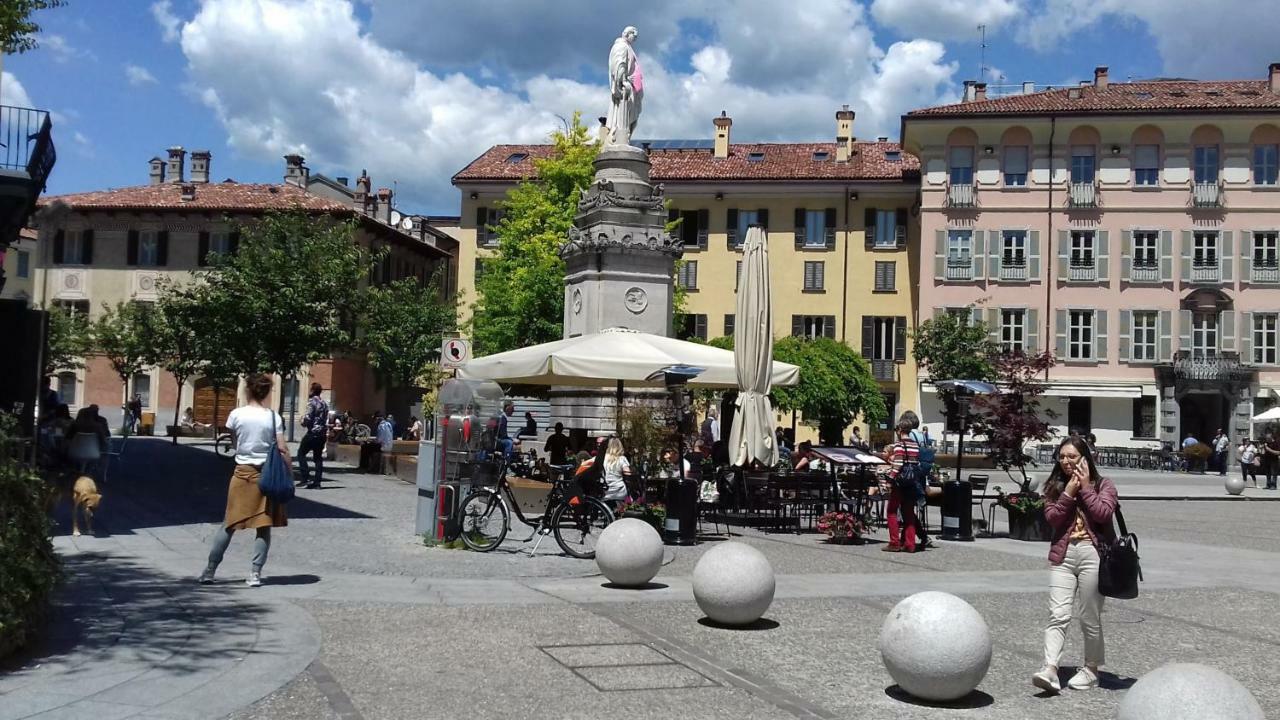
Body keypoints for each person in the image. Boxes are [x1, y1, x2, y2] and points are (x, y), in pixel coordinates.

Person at [1032, 435, 1118, 694]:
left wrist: (1085, 488)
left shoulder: (1104, 485)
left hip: (1093, 554)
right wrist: (1068, 492)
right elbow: (1053, 519)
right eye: (1062, 457)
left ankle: (1091, 669)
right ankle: (1050, 669)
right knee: (1058, 614)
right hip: (1063, 555)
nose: (1067, 462)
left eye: (1073, 456)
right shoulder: (1055, 485)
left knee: (1089, 616)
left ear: (1085, 458)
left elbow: (1103, 513)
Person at [198, 373, 289, 588]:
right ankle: (255, 574)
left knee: (228, 523)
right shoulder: (273, 417)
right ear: (267, 392)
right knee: (263, 526)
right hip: (265, 474)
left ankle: (210, 570)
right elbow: (282, 447)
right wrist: (289, 472)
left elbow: (235, 441)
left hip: (241, 473)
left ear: (248, 390)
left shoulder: (236, 415)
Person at [881, 414, 922, 553]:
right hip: (911, 482)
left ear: (899, 430)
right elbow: (915, 463)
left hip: (900, 482)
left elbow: (898, 465)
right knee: (909, 513)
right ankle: (910, 544)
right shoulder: (915, 445)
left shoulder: (899, 445)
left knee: (891, 511)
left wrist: (890, 479)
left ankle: (894, 542)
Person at [295, 382, 329, 489]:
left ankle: (305, 477)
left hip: (313, 433)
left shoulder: (312, 402)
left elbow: (308, 418)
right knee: (318, 457)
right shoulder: (324, 403)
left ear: (312, 391)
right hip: (322, 433)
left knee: (301, 453)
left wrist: (302, 422)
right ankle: (317, 483)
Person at [601, 437, 632, 504]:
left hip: (606, 491)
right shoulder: (622, 459)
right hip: (619, 491)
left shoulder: (602, 458)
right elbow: (628, 473)